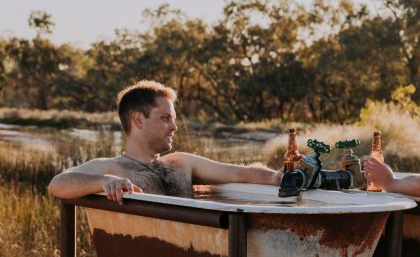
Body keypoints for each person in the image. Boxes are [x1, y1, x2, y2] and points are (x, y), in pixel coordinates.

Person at [48, 80, 281, 203]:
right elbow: (57, 184)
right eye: (165, 118)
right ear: (138, 120)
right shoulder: (112, 167)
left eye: (174, 119)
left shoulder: (182, 163)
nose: (174, 127)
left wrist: (276, 177)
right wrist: (103, 181)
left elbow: (240, 174)